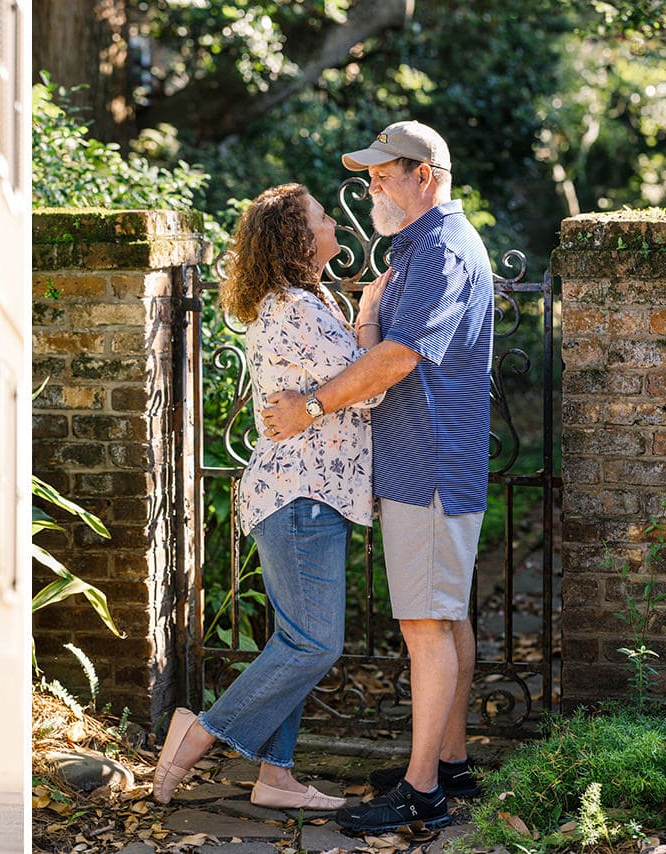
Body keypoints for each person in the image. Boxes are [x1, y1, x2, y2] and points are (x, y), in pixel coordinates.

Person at [262, 120, 495, 833]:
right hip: (422, 463)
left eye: (383, 176)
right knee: (444, 618)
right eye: (367, 178)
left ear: (424, 176)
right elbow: (388, 346)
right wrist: (368, 320)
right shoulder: (419, 247)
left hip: (430, 465)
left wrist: (310, 406)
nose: (371, 190)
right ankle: (449, 763)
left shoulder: (443, 250)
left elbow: (399, 359)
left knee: (426, 625)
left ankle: (423, 793)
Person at [153, 183, 385, 810]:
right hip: (301, 496)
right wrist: (370, 316)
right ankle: (199, 733)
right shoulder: (295, 309)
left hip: (304, 494)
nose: (333, 222)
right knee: (314, 643)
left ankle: (275, 777)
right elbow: (370, 387)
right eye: (322, 217)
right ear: (299, 239)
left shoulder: (306, 301)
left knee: (295, 640)